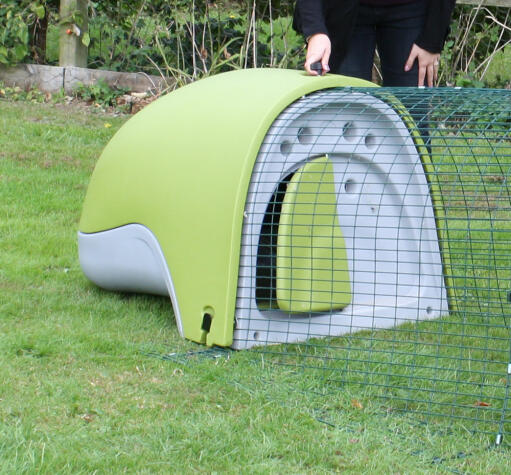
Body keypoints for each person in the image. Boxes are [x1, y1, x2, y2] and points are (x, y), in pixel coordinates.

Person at [293, 0, 456, 87]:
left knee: (411, 113)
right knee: (346, 107)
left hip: (413, 9)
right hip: (343, 11)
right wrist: (315, 32)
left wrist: (432, 39)